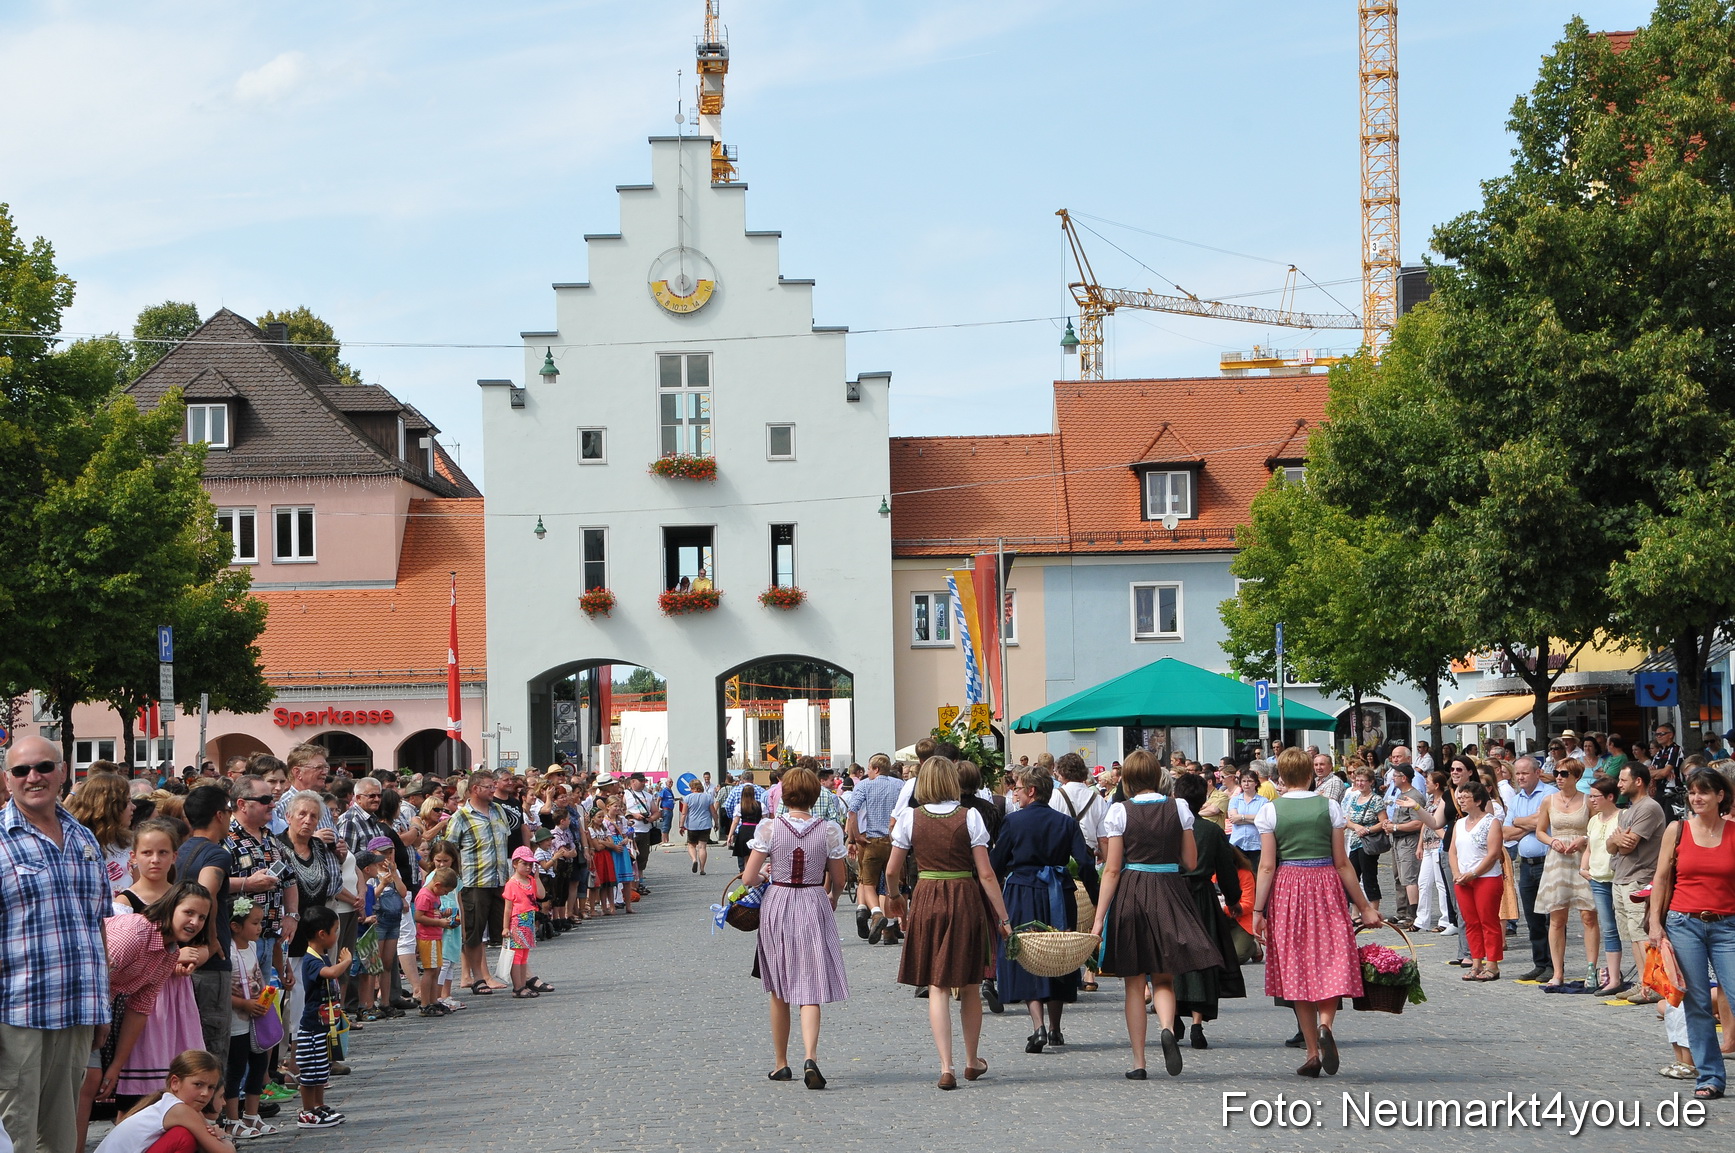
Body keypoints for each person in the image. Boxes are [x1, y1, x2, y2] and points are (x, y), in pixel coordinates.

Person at [0, 738, 113, 1153]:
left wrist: (102, 1003)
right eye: (21, 770)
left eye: (44, 766)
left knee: (63, 1132)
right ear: (7, 780)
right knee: (15, 1132)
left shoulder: (83, 838)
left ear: (64, 772)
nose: (34, 777)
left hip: (77, 1009)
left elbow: (97, 926)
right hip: (16, 1012)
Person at [1091, 749, 1222, 1080]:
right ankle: (1166, 1026)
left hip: (1132, 892)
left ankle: (1139, 1062)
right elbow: (1191, 862)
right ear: (1157, 776)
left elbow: (1112, 869)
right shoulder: (1177, 808)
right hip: (1168, 889)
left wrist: (1098, 921)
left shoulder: (1119, 812)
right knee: (1164, 976)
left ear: (1129, 780)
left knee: (1134, 983)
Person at [1253, 747, 1382, 1079]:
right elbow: (1342, 863)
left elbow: (1267, 866)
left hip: (1287, 888)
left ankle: (1312, 1051)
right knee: (1333, 957)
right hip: (1325, 884)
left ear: (1281, 776)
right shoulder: (1330, 807)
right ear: (1311, 774)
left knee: (1296, 967)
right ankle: (1326, 1024)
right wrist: (1365, 907)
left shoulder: (1271, 811)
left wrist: (1257, 910)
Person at [884, 757, 1012, 1090]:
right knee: (969, 983)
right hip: (964, 896)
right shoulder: (970, 816)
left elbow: (891, 871)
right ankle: (972, 1060)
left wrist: (896, 896)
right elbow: (985, 873)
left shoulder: (910, 818)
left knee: (937, 986)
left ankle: (946, 1066)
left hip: (927, 895)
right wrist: (1003, 917)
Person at [78, 881, 216, 1153]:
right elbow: (93, 976)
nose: (195, 922)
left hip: (102, 1011)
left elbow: (140, 1008)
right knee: (86, 1082)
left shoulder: (169, 952)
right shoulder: (136, 932)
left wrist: (117, 1065)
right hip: (77, 1001)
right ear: (170, 907)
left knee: (94, 1082)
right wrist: (101, 1021)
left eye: (202, 917)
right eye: (188, 912)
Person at [742, 766, 849, 1090]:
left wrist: (767, 877)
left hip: (779, 901)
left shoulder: (770, 828)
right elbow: (841, 878)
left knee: (779, 987)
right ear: (815, 795)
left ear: (784, 794)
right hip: (813, 899)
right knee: (811, 983)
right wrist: (832, 895)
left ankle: (781, 1063)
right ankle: (810, 1056)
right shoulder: (828, 830)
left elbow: (748, 878)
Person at [989, 769, 1098, 1053]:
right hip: (1059, 894)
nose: (1015, 792)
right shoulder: (1066, 822)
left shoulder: (1013, 822)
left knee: (1028, 954)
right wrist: (1095, 894)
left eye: (1019, 788)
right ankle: (1056, 1028)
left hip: (1023, 892)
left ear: (1032, 791)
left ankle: (1037, 1026)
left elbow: (996, 863)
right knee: (1058, 954)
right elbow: (1085, 863)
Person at [1646, 767, 1735, 1100]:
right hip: (1685, 923)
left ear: (1720, 796)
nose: (1696, 799)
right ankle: (1710, 1076)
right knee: (1696, 1003)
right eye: (1692, 793)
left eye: (1704, 793)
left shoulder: (1733, 832)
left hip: (1728, 924)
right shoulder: (1678, 829)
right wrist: (1656, 923)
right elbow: (1663, 878)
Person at [1169, 771, 1247, 1050]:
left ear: (1177, 797)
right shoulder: (1212, 831)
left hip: (1172, 897)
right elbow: (1227, 871)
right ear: (1203, 800)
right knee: (1203, 958)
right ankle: (1197, 1024)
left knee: (1173, 956)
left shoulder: (1168, 828)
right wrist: (1234, 899)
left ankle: (1172, 1015)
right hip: (1202, 897)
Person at [1533, 759, 1599, 990]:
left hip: (1582, 857)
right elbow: (1540, 831)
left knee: (1588, 915)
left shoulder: (1587, 801)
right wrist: (1552, 841)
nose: (1559, 777)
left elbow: (1598, 829)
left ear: (1576, 777)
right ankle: (1558, 971)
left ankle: (1592, 969)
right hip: (1558, 859)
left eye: (1564, 774)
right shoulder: (1548, 800)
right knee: (1557, 917)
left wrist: (1584, 839)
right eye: (1557, 773)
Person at [447, 770, 512, 995]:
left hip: (499, 880)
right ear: (475, 789)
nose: (493, 790)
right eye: (488, 786)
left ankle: (506, 974)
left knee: (502, 931)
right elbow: (450, 849)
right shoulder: (461, 816)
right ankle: (478, 977)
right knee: (473, 933)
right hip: (474, 882)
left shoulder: (498, 810)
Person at [93, 1049, 234, 1153]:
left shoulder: (175, 1106)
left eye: (211, 1088)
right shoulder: (180, 1110)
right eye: (198, 1084)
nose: (205, 1093)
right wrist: (225, 1137)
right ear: (175, 1083)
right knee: (184, 1137)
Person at [1609, 763, 1667, 1003]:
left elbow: (1629, 844)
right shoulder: (1625, 812)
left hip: (1639, 878)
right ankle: (1643, 982)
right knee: (1631, 934)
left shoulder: (1649, 808)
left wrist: (1618, 840)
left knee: (1643, 934)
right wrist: (1616, 840)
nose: (1619, 784)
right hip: (1621, 877)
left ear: (1638, 781)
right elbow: (1610, 845)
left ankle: (1654, 984)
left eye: (1623, 780)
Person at [291, 905, 350, 1129]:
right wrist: (345, 961)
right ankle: (307, 1111)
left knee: (320, 1070)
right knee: (310, 1071)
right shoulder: (311, 960)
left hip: (324, 1024)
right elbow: (331, 973)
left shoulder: (322, 956)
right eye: (335, 930)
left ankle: (319, 1105)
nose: (337, 935)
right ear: (322, 934)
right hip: (312, 1026)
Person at [223, 898, 278, 1139]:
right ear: (235, 926)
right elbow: (222, 991)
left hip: (258, 1016)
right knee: (236, 1067)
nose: (259, 928)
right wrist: (244, 1004)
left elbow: (258, 978)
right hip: (237, 1019)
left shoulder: (253, 947)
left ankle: (251, 1115)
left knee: (258, 1064)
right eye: (255, 923)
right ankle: (232, 1119)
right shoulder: (228, 953)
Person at [1501, 756, 1558, 982]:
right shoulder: (1516, 798)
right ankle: (1540, 963)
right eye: (1518, 774)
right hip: (1526, 864)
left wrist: (1521, 823)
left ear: (1537, 772)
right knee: (1533, 917)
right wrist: (1530, 823)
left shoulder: (1549, 793)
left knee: (1551, 917)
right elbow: (1506, 832)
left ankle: (1554, 964)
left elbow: (1544, 822)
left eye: (1525, 773)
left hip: (1548, 862)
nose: (1521, 777)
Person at [1450, 779, 1506, 982]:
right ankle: (1476, 962)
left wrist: (1473, 873)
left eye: (1466, 797)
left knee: (1488, 921)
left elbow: (1492, 854)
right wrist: (1457, 873)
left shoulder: (1491, 822)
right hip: (1463, 880)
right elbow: (1452, 852)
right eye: (1460, 797)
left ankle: (1493, 964)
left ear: (1478, 800)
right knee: (1471, 922)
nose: (1461, 800)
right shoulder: (1458, 823)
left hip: (1486, 878)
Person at [845, 753, 902, 944]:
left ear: (876, 769)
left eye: (869, 768)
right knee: (889, 885)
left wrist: (856, 836)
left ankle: (876, 914)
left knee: (868, 882)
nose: (867, 772)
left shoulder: (865, 785)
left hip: (873, 840)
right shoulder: (899, 785)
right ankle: (889, 929)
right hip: (895, 842)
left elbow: (852, 811)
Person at [1581, 777, 1627, 996]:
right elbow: (1589, 848)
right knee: (1609, 928)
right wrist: (1584, 868)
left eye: (1595, 796)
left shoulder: (1622, 817)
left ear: (1610, 797)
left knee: (1630, 928)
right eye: (1590, 796)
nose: (1592, 800)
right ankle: (1614, 977)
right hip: (1598, 878)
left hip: (1618, 878)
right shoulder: (1594, 820)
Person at [68, 770, 134, 898]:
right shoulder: (82, 845)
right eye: (128, 801)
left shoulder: (128, 841)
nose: (133, 807)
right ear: (110, 806)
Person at [1382, 764, 1426, 930]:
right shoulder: (1401, 794)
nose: (1393, 778)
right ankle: (1402, 912)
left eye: (1396, 775)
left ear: (1404, 778)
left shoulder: (1414, 796)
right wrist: (1391, 823)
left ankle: (1413, 915)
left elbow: (1418, 822)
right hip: (1397, 840)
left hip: (1409, 841)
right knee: (1399, 877)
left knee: (1409, 877)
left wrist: (1396, 827)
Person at [502, 847, 550, 998]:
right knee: (516, 956)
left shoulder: (530, 880)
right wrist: (505, 927)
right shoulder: (512, 883)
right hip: (517, 922)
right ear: (515, 864)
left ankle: (523, 984)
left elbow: (541, 894)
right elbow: (507, 909)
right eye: (525, 864)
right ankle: (518, 987)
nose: (528, 867)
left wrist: (536, 878)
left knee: (524, 955)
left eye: (531, 864)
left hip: (528, 922)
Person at [413, 868, 459, 1016]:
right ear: (438, 885)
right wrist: (438, 923)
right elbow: (419, 917)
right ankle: (425, 1003)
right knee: (430, 970)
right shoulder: (425, 896)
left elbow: (432, 912)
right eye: (445, 892)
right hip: (427, 938)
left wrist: (442, 914)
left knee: (437, 969)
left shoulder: (433, 895)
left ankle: (434, 1000)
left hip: (436, 936)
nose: (445, 894)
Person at [1342, 769, 1385, 914]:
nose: (1359, 783)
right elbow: (1347, 820)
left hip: (1368, 843)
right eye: (1357, 780)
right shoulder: (1354, 799)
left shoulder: (1376, 800)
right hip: (1354, 842)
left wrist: (1367, 830)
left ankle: (1374, 909)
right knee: (1353, 876)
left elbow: (1383, 822)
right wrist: (1356, 827)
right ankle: (1355, 912)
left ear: (1371, 782)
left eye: (1363, 781)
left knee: (1369, 876)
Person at [1225, 770, 1267, 873]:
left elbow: (1263, 820)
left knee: (1254, 874)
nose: (1246, 784)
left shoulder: (1264, 801)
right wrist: (1253, 819)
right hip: (1237, 844)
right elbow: (1233, 819)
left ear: (1256, 783)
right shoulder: (1235, 800)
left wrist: (1242, 817)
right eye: (1243, 781)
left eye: (1250, 781)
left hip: (1256, 844)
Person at [680, 781, 718, 875]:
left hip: (692, 825)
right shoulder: (708, 797)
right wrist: (716, 823)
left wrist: (681, 825)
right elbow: (713, 812)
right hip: (705, 824)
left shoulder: (688, 798)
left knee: (691, 845)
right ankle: (702, 869)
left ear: (692, 788)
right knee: (702, 847)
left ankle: (694, 860)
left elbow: (684, 813)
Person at [728, 785, 763, 875]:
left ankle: (747, 874)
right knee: (755, 855)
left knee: (746, 856)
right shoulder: (760, 805)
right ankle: (755, 874)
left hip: (744, 830)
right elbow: (765, 820)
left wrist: (730, 835)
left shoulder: (740, 806)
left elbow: (735, 822)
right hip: (756, 830)